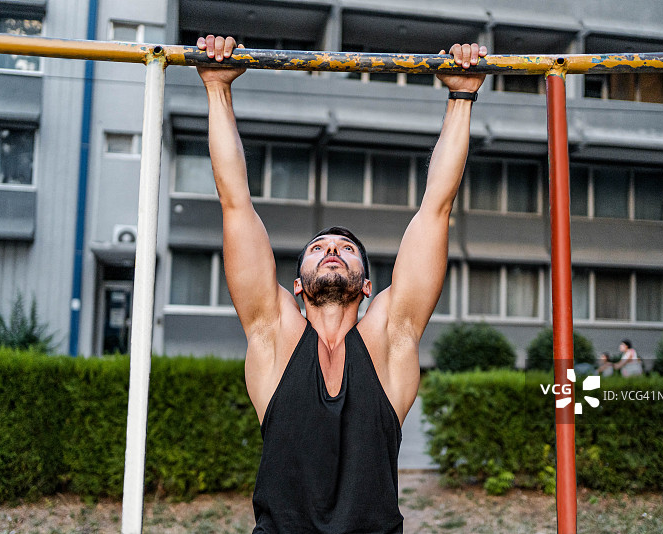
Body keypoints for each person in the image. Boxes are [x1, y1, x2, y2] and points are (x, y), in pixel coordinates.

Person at [195, 34, 486, 534]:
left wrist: (461, 97)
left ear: (368, 286)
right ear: (297, 285)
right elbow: (235, 203)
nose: (331, 250)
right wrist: (217, 88)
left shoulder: (390, 339)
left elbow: (435, 209)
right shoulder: (274, 334)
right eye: (318, 248)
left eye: (346, 249)